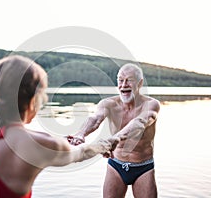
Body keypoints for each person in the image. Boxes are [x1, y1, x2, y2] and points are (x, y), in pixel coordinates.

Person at [0, 55, 120, 198]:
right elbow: (81, 153)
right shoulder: (35, 144)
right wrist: (103, 145)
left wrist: (56, 141)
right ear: (34, 99)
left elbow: (18, 139)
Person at [68, 63, 160, 198]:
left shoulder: (151, 104)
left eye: (129, 80)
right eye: (120, 80)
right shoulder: (108, 103)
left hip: (143, 168)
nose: (124, 84)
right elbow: (95, 119)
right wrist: (81, 134)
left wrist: (114, 139)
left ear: (140, 83)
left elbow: (139, 123)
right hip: (116, 166)